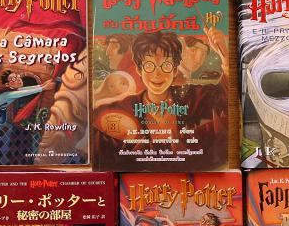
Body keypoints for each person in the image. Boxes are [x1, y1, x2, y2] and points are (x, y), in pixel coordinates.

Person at [93, 30, 229, 167]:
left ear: (175, 70)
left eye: (166, 66)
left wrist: (226, 60)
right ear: (139, 70)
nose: (157, 74)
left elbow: (224, 93)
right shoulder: (124, 108)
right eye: (149, 65)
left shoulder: (191, 96)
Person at [0, 71, 56, 146]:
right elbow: (25, 92)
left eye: (16, 76)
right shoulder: (10, 94)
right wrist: (43, 88)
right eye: (13, 79)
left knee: (2, 120)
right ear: (8, 85)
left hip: (3, 107)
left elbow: (26, 89)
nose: (18, 79)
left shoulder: (15, 89)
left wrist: (41, 85)